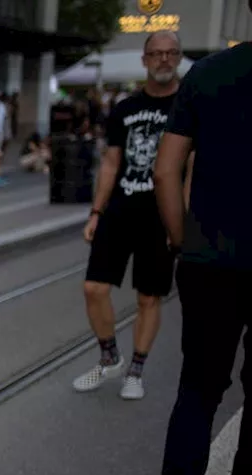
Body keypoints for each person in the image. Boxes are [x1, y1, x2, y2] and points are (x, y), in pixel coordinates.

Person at [151, 28, 252, 475]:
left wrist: (179, 237)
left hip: (209, 258)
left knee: (199, 386)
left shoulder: (207, 74)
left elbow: (166, 170)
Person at [72, 30, 183, 400]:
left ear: (178, 57)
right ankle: (110, 357)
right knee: (93, 288)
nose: (164, 59)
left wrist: (179, 221)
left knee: (149, 297)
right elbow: (110, 163)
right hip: (121, 209)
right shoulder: (125, 108)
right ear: (145, 59)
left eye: (171, 53)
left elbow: (194, 168)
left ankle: (136, 370)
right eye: (157, 53)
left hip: (161, 215)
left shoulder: (189, 105)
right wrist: (96, 211)